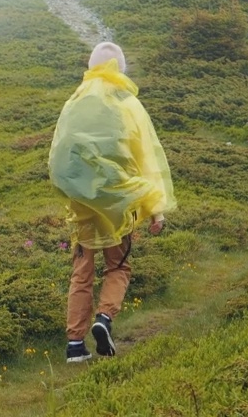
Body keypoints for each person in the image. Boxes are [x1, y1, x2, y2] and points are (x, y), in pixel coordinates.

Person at [48, 41, 176, 363]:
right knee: (118, 265)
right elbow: (145, 157)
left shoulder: (74, 102)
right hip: (119, 203)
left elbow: (58, 155)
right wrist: (155, 209)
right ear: (119, 68)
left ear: (92, 66)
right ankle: (104, 319)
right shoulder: (126, 104)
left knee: (82, 270)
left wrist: (73, 191)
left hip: (82, 205)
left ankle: (75, 346)